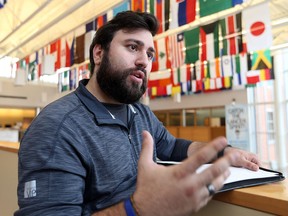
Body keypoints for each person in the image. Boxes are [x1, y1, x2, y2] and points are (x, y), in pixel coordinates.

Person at [15, 11, 260, 216]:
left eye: (150, 54)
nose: (144, 61)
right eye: (133, 47)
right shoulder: (56, 128)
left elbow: (173, 147)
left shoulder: (139, 113)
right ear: (98, 54)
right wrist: (139, 207)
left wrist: (224, 152)